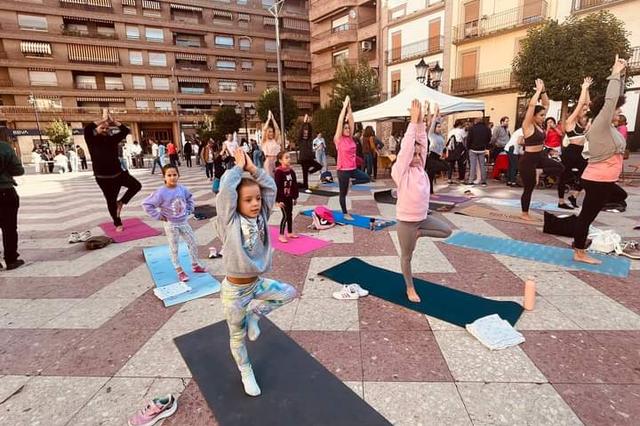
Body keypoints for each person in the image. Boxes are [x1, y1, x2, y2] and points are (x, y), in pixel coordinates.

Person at [215, 148, 297, 397]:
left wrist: (253, 169)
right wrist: (238, 168)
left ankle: (256, 315)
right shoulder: (229, 222)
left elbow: (270, 188)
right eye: (248, 200)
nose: (255, 203)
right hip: (235, 292)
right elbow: (225, 194)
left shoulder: (262, 214)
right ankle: (245, 370)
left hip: (256, 284)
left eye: (257, 199)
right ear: (237, 203)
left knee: (289, 293)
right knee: (237, 336)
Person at [391, 100, 451, 303]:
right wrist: (412, 122)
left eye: (419, 154)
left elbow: (422, 144)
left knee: (447, 231)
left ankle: (420, 233)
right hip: (406, 222)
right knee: (407, 257)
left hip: (422, 220)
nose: (417, 157)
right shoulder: (401, 171)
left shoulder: (420, 168)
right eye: (413, 155)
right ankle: (409, 288)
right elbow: (408, 147)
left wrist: (422, 122)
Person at [573, 55, 628, 264]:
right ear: (607, 111)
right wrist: (614, 74)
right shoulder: (601, 125)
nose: (620, 111)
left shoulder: (609, 127)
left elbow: (616, 99)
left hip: (603, 178)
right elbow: (611, 99)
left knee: (592, 212)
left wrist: (621, 75)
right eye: (617, 109)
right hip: (598, 179)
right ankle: (579, 251)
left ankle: (578, 243)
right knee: (587, 215)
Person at [143, 164, 206, 282]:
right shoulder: (161, 192)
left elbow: (189, 198)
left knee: (192, 242)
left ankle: (195, 265)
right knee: (174, 247)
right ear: (164, 177)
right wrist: (158, 216)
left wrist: (189, 209)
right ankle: (179, 270)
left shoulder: (182, 189)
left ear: (178, 175)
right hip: (171, 224)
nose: (172, 177)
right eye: (169, 175)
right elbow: (147, 205)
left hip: (183, 222)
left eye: (174, 174)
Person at [84, 109, 142, 232]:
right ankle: (117, 223)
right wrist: (103, 120)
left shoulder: (113, 139)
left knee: (136, 186)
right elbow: (88, 128)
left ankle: (121, 202)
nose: (105, 130)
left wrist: (113, 121)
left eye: (107, 128)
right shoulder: (91, 139)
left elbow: (126, 130)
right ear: (97, 129)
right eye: (102, 128)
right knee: (110, 201)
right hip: (103, 178)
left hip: (119, 174)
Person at [519, 79, 564, 220]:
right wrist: (537, 92)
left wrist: (543, 91)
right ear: (533, 116)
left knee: (561, 168)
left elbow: (546, 103)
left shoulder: (540, 125)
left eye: (544, 115)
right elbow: (532, 105)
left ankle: (540, 170)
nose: (544, 117)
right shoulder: (527, 125)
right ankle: (524, 213)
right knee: (529, 187)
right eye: (541, 115)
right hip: (528, 160)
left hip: (540, 156)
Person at [334, 96, 370, 220]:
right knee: (342, 194)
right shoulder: (338, 139)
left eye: (348, 128)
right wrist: (343, 108)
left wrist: (349, 108)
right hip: (343, 170)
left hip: (353, 168)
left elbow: (352, 121)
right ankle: (345, 213)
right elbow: (340, 122)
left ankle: (352, 182)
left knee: (366, 178)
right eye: (345, 128)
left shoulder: (351, 139)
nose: (348, 129)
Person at [558, 77, 592, 209]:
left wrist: (587, 89)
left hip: (581, 151)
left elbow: (587, 103)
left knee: (587, 174)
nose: (584, 112)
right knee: (564, 175)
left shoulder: (582, 123)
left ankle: (574, 195)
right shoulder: (570, 121)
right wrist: (583, 88)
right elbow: (581, 103)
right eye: (582, 111)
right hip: (571, 151)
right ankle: (561, 201)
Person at [0, 126, 25, 270]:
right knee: (9, 227)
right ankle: (11, 259)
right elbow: (18, 170)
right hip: (5, 191)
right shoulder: (4, 147)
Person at [274, 151, 299, 243]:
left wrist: (295, 197)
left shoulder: (291, 171)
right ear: (280, 160)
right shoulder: (278, 172)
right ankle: (281, 234)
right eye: (286, 158)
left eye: (289, 157)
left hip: (289, 197)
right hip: (282, 198)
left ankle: (290, 232)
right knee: (285, 216)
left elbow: (294, 185)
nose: (289, 159)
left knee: (290, 214)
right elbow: (277, 186)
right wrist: (278, 200)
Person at [426, 103, 449, 194]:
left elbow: (444, 147)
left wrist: (439, 112)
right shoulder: (431, 134)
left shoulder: (441, 136)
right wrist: (435, 112)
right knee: (430, 175)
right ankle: (430, 191)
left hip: (437, 157)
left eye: (440, 127)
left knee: (446, 166)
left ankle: (429, 190)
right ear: (434, 128)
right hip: (431, 156)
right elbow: (434, 122)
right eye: (438, 127)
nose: (440, 128)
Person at [298, 114, 322, 190]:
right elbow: (301, 131)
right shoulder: (300, 140)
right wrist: (304, 122)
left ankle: (309, 172)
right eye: (304, 133)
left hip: (309, 159)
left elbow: (310, 131)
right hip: (303, 160)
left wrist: (308, 123)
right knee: (305, 180)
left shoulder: (309, 140)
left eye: (306, 133)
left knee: (319, 166)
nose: (305, 134)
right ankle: (304, 186)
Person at [466, 118, 491, 186]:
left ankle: (471, 180)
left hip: (473, 149)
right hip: (482, 149)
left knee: (473, 165)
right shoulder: (487, 128)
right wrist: (487, 147)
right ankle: (483, 181)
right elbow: (489, 138)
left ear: (475, 122)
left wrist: (468, 147)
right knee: (482, 165)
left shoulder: (472, 128)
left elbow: (469, 139)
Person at [446, 119, 467, 184]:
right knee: (461, 163)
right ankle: (461, 178)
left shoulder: (451, 131)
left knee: (451, 164)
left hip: (451, 148)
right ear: (460, 125)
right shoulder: (462, 131)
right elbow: (464, 140)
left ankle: (449, 178)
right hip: (459, 147)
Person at [261, 111, 281, 178]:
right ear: (267, 133)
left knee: (277, 178)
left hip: (276, 160)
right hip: (268, 161)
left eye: (272, 132)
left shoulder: (275, 140)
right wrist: (268, 119)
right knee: (270, 178)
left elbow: (277, 129)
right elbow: (264, 130)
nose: (271, 133)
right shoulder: (264, 141)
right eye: (269, 132)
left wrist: (273, 119)